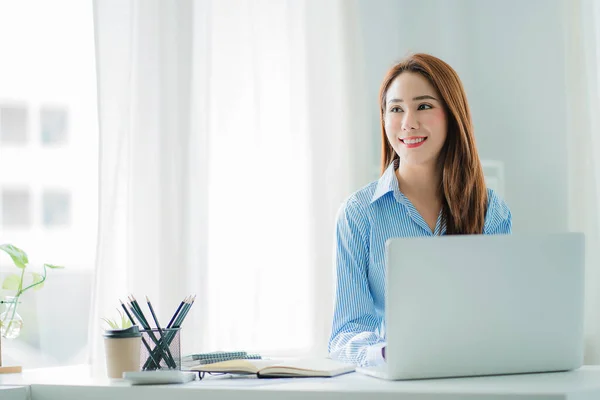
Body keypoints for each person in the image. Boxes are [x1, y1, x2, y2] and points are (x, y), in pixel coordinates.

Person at [328, 53, 512, 367]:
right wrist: (387, 353)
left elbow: (502, 316)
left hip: (474, 377)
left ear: (452, 114)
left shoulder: (490, 210)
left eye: (423, 106)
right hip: (396, 383)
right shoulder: (358, 214)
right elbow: (345, 334)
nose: (408, 123)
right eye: (395, 109)